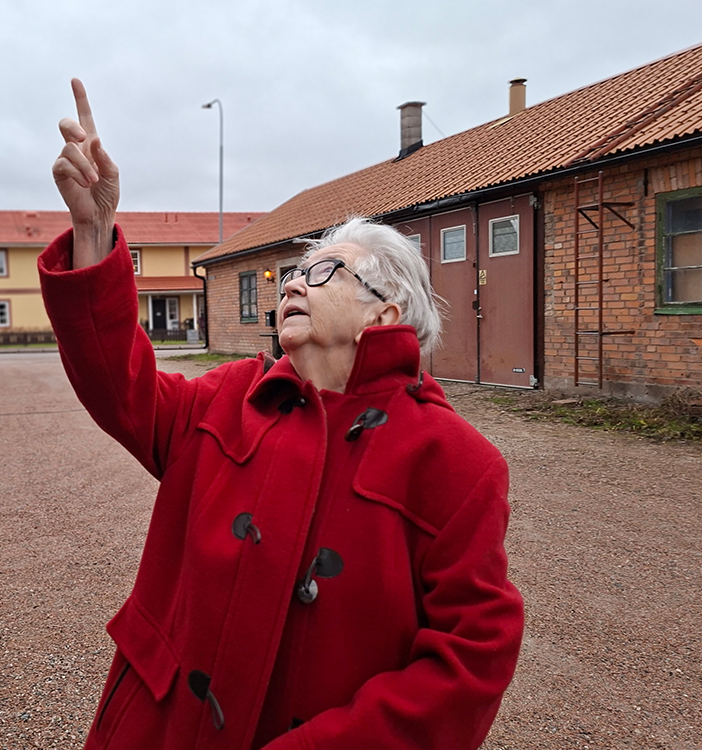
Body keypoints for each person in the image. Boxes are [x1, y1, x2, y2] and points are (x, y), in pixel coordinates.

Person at [40, 79, 524, 749]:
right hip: (162, 728)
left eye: (325, 273)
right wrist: (92, 232)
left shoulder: (455, 462)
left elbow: (471, 656)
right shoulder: (227, 397)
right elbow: (118, 383)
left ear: (383, 313)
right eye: (297, 270)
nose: (295, 281)